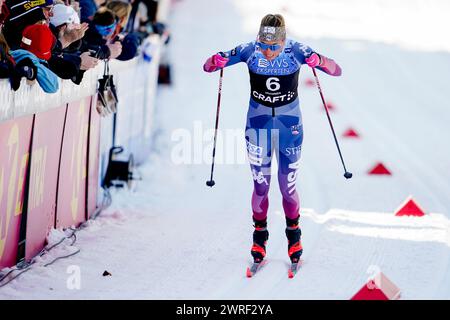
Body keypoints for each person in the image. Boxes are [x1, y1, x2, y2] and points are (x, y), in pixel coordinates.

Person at [203, 14, 342, 265]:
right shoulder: (248, 50)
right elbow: (208, 66)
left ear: (284, 41)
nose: (268, 52)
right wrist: (216, 60)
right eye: (264, 46)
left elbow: (336, 70)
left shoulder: (298, 50)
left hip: (291, 128)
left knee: (287, 187)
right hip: (258, 126)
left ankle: (294, 234)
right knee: (261, 186)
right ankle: (259, 236)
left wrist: (318, 60)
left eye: (274, 47)